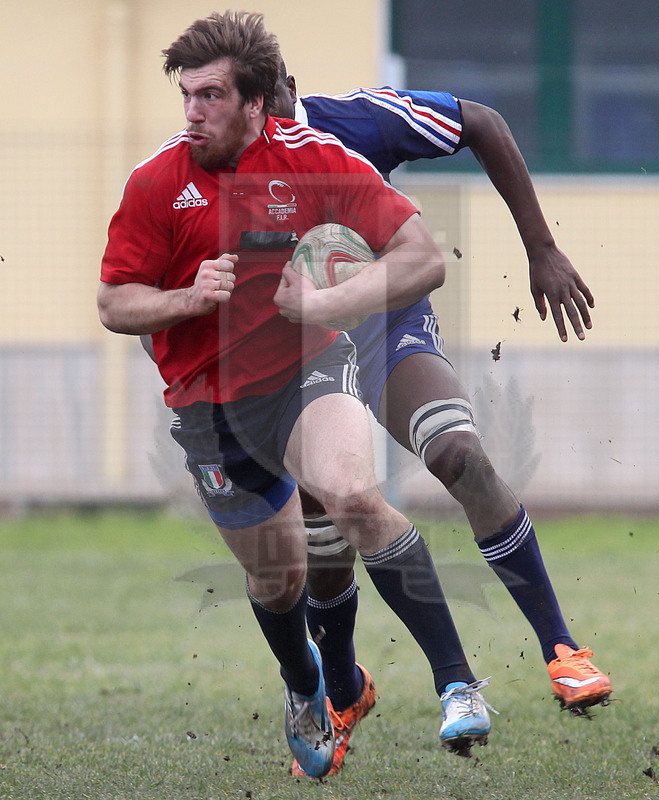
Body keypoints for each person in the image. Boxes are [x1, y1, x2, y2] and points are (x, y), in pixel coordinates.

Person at [98, 10, 495, 780]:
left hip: (305, 372)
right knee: (277, 578)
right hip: (209, 404)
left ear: (254, 102)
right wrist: (186, 299)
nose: (193, 113)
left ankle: (457, 683)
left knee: (353, 494)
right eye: (186, 95)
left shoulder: (315, 160)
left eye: (211, 96)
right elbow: (115, 303)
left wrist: (329, 307)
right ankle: (307, 685)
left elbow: (421, 259)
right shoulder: (156, 183)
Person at [269, 67, 612, 776]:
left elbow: (481, 121)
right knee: (327, 519)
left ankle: (561, 647)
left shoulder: (355, 123)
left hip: (384, 324)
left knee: (461, 455)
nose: (259, 120)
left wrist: (540, 246)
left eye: (264, 101)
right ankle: (343, 689)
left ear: (286, 88)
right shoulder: (220, 159)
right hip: (294, 349)